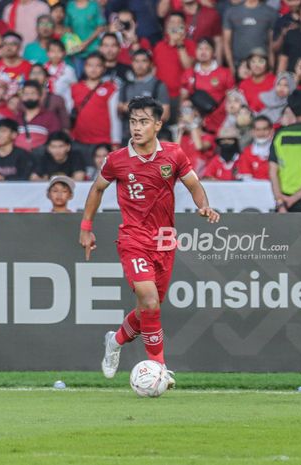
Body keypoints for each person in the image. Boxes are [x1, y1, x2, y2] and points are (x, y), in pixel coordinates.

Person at [79, 96, 220, 385]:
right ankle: (159, 369)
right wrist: (86, 227)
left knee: (150, 309)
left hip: (165, 242)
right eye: (132, 122)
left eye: (143, 122)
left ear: (157, 124)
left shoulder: (174, 154)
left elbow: (194, 184)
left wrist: (203, 205)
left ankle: (115, 340)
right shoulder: (116, 160)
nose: (136, 127)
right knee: (149, 300)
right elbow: (96, 190)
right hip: (132, 238)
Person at [70, 52, 121, 152]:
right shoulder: (74, 88)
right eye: (90, 65)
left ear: (104, 68)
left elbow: (115, 117)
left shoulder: (111, 88)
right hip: (79, 141)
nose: (93, 69)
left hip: (103, 142)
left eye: (98, 65)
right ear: (84, 67)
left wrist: (116, 141)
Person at [118, 49, 170, 141]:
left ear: (150, 64)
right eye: (136, 61)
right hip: (129, 137)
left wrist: (135, 108)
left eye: (144, 61)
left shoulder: (158, 85)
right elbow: (119, 110)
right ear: (132, 63)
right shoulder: (125, 85)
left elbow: (165, 115)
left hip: (151, 137)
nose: (140, 65)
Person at [152, 12, 196, 123]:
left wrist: (180, 43)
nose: (175, 26)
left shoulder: (189, 44)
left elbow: (188, 66)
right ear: (166, 25)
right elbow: (153, 70)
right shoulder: (159, 46)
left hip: (181, 96)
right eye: (172, 22)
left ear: (185, 26)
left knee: (179, 129)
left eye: (179, 23)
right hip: (160, 96)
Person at [222, 0, 277, 74]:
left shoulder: (271, 12)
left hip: (262, 65)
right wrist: (231, 67)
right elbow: (226, 43)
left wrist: (271, 69)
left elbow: (271, 45)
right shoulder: (231, 12)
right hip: (239, 65)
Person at [14, 80, 61, 152]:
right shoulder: (16, 117)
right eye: (26, 94)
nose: (29, 96)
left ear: (40, 96)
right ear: (22, 97)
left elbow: (55, 139)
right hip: (20, 159)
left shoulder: (50, 117)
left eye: (33, 93)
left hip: (42, 158)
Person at [0, 31, 32, 96]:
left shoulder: (29, 66)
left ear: (20, 47)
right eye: (5, 44)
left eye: (13, 44)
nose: (9, 47)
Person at [238, 48, 275, 114]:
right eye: (253, 61)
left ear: (267, 64)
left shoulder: (275, 81)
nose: (257, 65)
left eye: (261, 61)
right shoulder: (243, 84)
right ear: (249, 64)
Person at [44, 39, 77, 111]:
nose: (56, 54)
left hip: (65, 108)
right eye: (52, 51)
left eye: (59, 51)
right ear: (47, 53)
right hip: (46, 108)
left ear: (64, 53)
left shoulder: (69, 70)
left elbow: (75, 88)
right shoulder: (43, 69)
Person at [237, 115, 273, 180]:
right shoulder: (247, 152)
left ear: (271, 131)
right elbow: (246, 178)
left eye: (265, 129)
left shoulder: (278, 150)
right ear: (252, 132)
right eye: (258, 130)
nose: (261, 133)